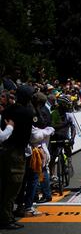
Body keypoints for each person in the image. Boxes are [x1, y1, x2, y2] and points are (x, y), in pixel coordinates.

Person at [0, 85, 34, 230]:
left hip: (4, 150)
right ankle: (6, 218)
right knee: (14, 186)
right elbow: (30, 134)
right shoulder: (27, 112)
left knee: (4, 185)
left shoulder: (8, 110)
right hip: (17, 152)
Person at [49, 95, 76, 183]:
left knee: (68, 148)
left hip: (65, 136)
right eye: (67, 105)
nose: (69, 107)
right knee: (52, 157)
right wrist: (64, 125)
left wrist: (72, 138)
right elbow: (52, 126)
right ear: (62, 105)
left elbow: (73, 128)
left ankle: (69, 161)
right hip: (54, 136)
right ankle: (52, 174)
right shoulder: (53, 113)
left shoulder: (69, 115)